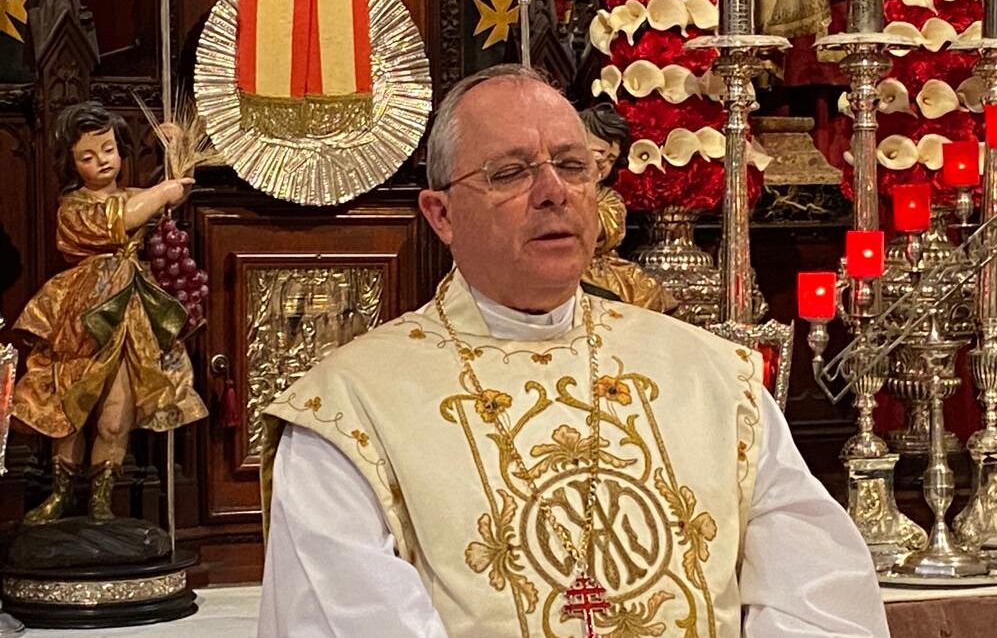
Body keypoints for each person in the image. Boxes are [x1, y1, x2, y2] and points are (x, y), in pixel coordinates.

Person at [258, 65, 889, 638]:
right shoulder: (349, 412)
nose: (553, 192)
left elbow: (821, 599)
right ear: (441, 214)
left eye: (573, 164)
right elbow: (347, 621)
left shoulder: (715, 378)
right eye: (510, 172)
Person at [12, 102, 207, 524]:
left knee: (116, 416)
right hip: (84, 318)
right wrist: (162, 192)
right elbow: (120, 219)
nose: (101, 161)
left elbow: (176, 192)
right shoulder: (74, 206)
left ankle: (102, 501)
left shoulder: (137, 195)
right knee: (71, 405)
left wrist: (177, 148)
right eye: (87, 156)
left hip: (133, 317)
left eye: (108, 150)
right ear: (70, 163)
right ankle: (63, 493)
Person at [579, 103, 677, 313]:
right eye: (598, 153)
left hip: (598, 269)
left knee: (647, 295)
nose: (604, 163)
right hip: (558, 267)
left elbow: (598, 231)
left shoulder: (609, 199)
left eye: (611, 159)